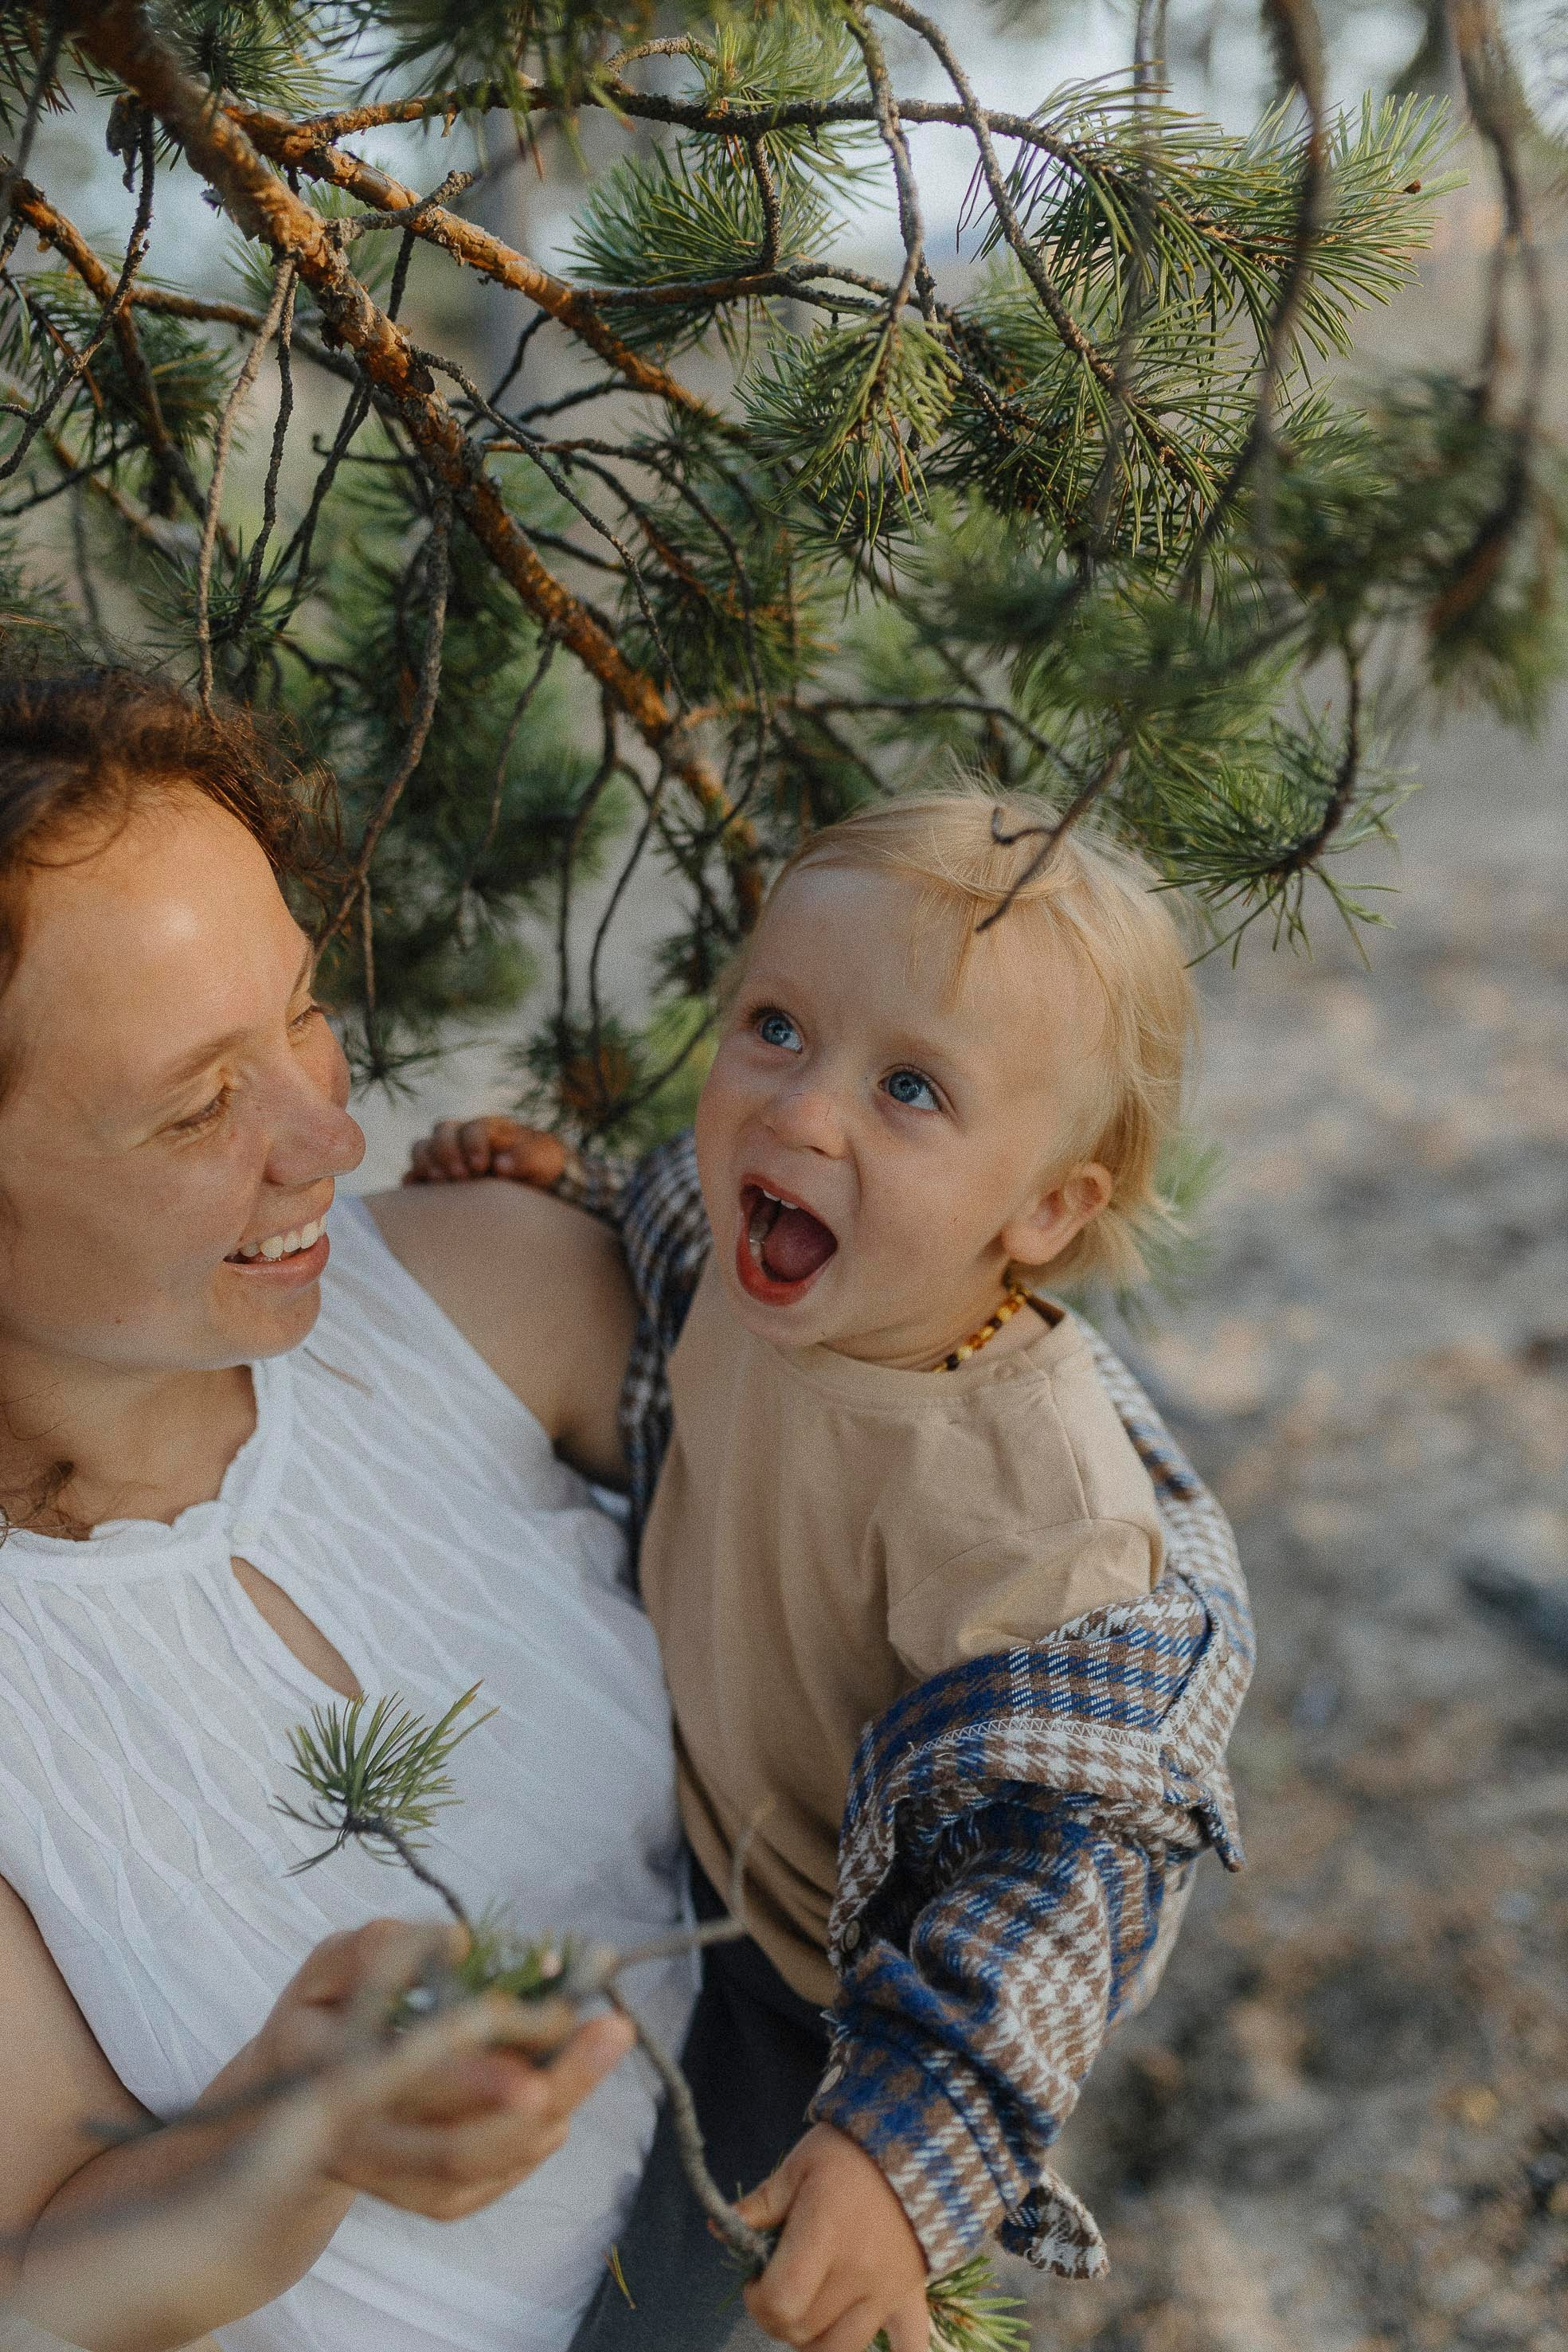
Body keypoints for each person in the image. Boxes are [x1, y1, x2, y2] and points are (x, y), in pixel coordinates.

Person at [406, 789, 1256, 2352]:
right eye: (777, 1027)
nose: (802, 1111)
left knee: (668, 2299)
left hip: (821, 1991)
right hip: (691, 1845)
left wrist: (896, 2138)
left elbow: (1066, 1872)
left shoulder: (1034, 1506)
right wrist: (564, 1187)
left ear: (1047, 1209)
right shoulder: (782, 1249)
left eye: (910, 1086)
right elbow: (664, 1236)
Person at [0, 668, 695, 2352]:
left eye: (301, 1013)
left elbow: (902, 1505)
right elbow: (35, 2279)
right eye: (196, 1103)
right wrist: (293, 2131)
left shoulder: (489, 1285)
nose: (333, 1131)